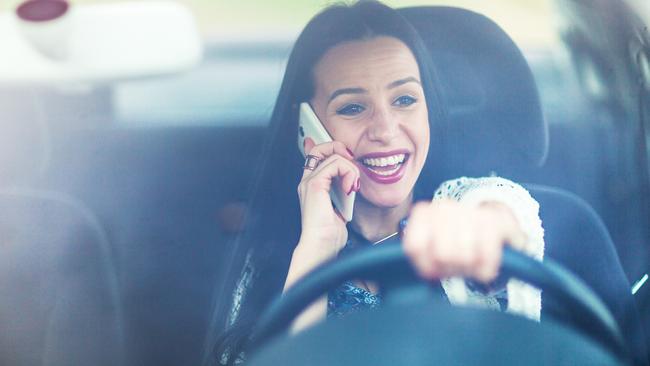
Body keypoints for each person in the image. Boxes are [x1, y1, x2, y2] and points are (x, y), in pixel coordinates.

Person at [207, 1, 545, 365]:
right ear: (308, 128)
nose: (385, 130)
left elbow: (501, 221)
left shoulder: (469, 202)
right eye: (353, 107)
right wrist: (317, 248)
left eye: (404, 100)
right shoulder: (271, 264)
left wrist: (482, 239)